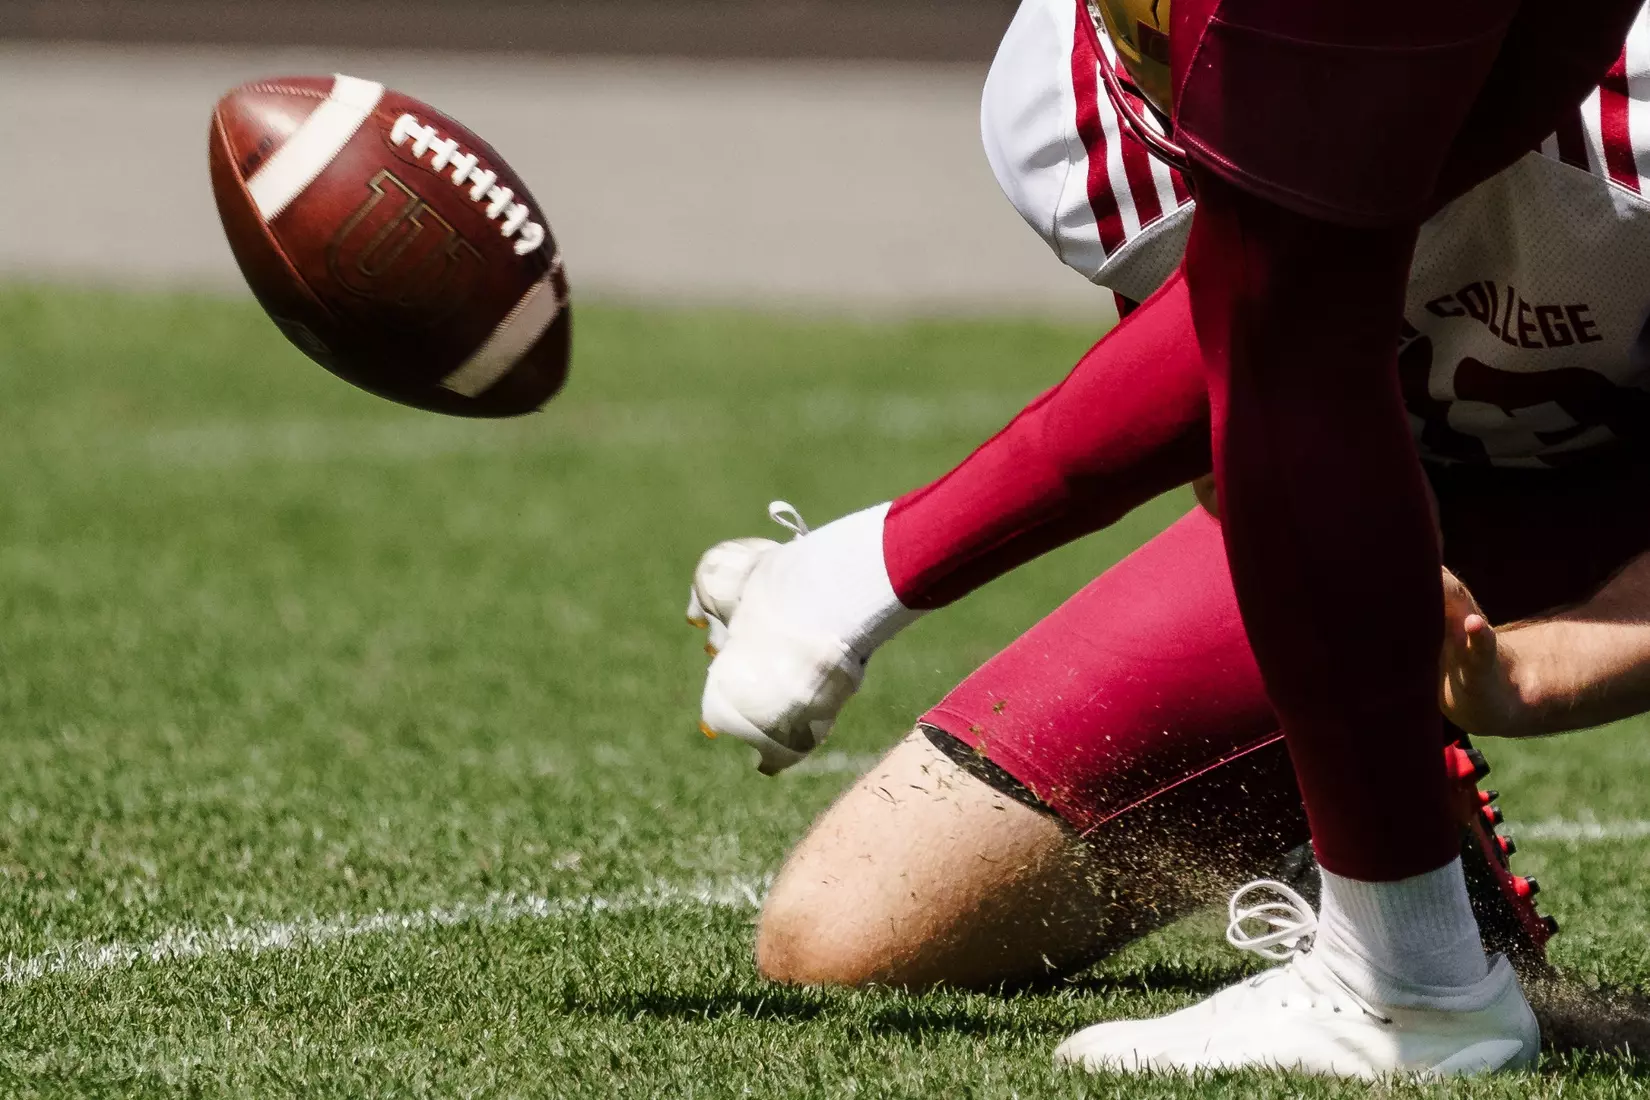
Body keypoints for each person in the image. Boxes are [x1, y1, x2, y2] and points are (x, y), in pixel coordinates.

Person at [687, 0, 1650, 1077]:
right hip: (1388, 523)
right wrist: (1378, 704)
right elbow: (1245, 455)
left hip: (1620, 520)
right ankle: (1399, 895)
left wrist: (1559, 662)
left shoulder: (1629, 102)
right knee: (845, 924)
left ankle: (1409, 953)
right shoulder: (1072, 113)